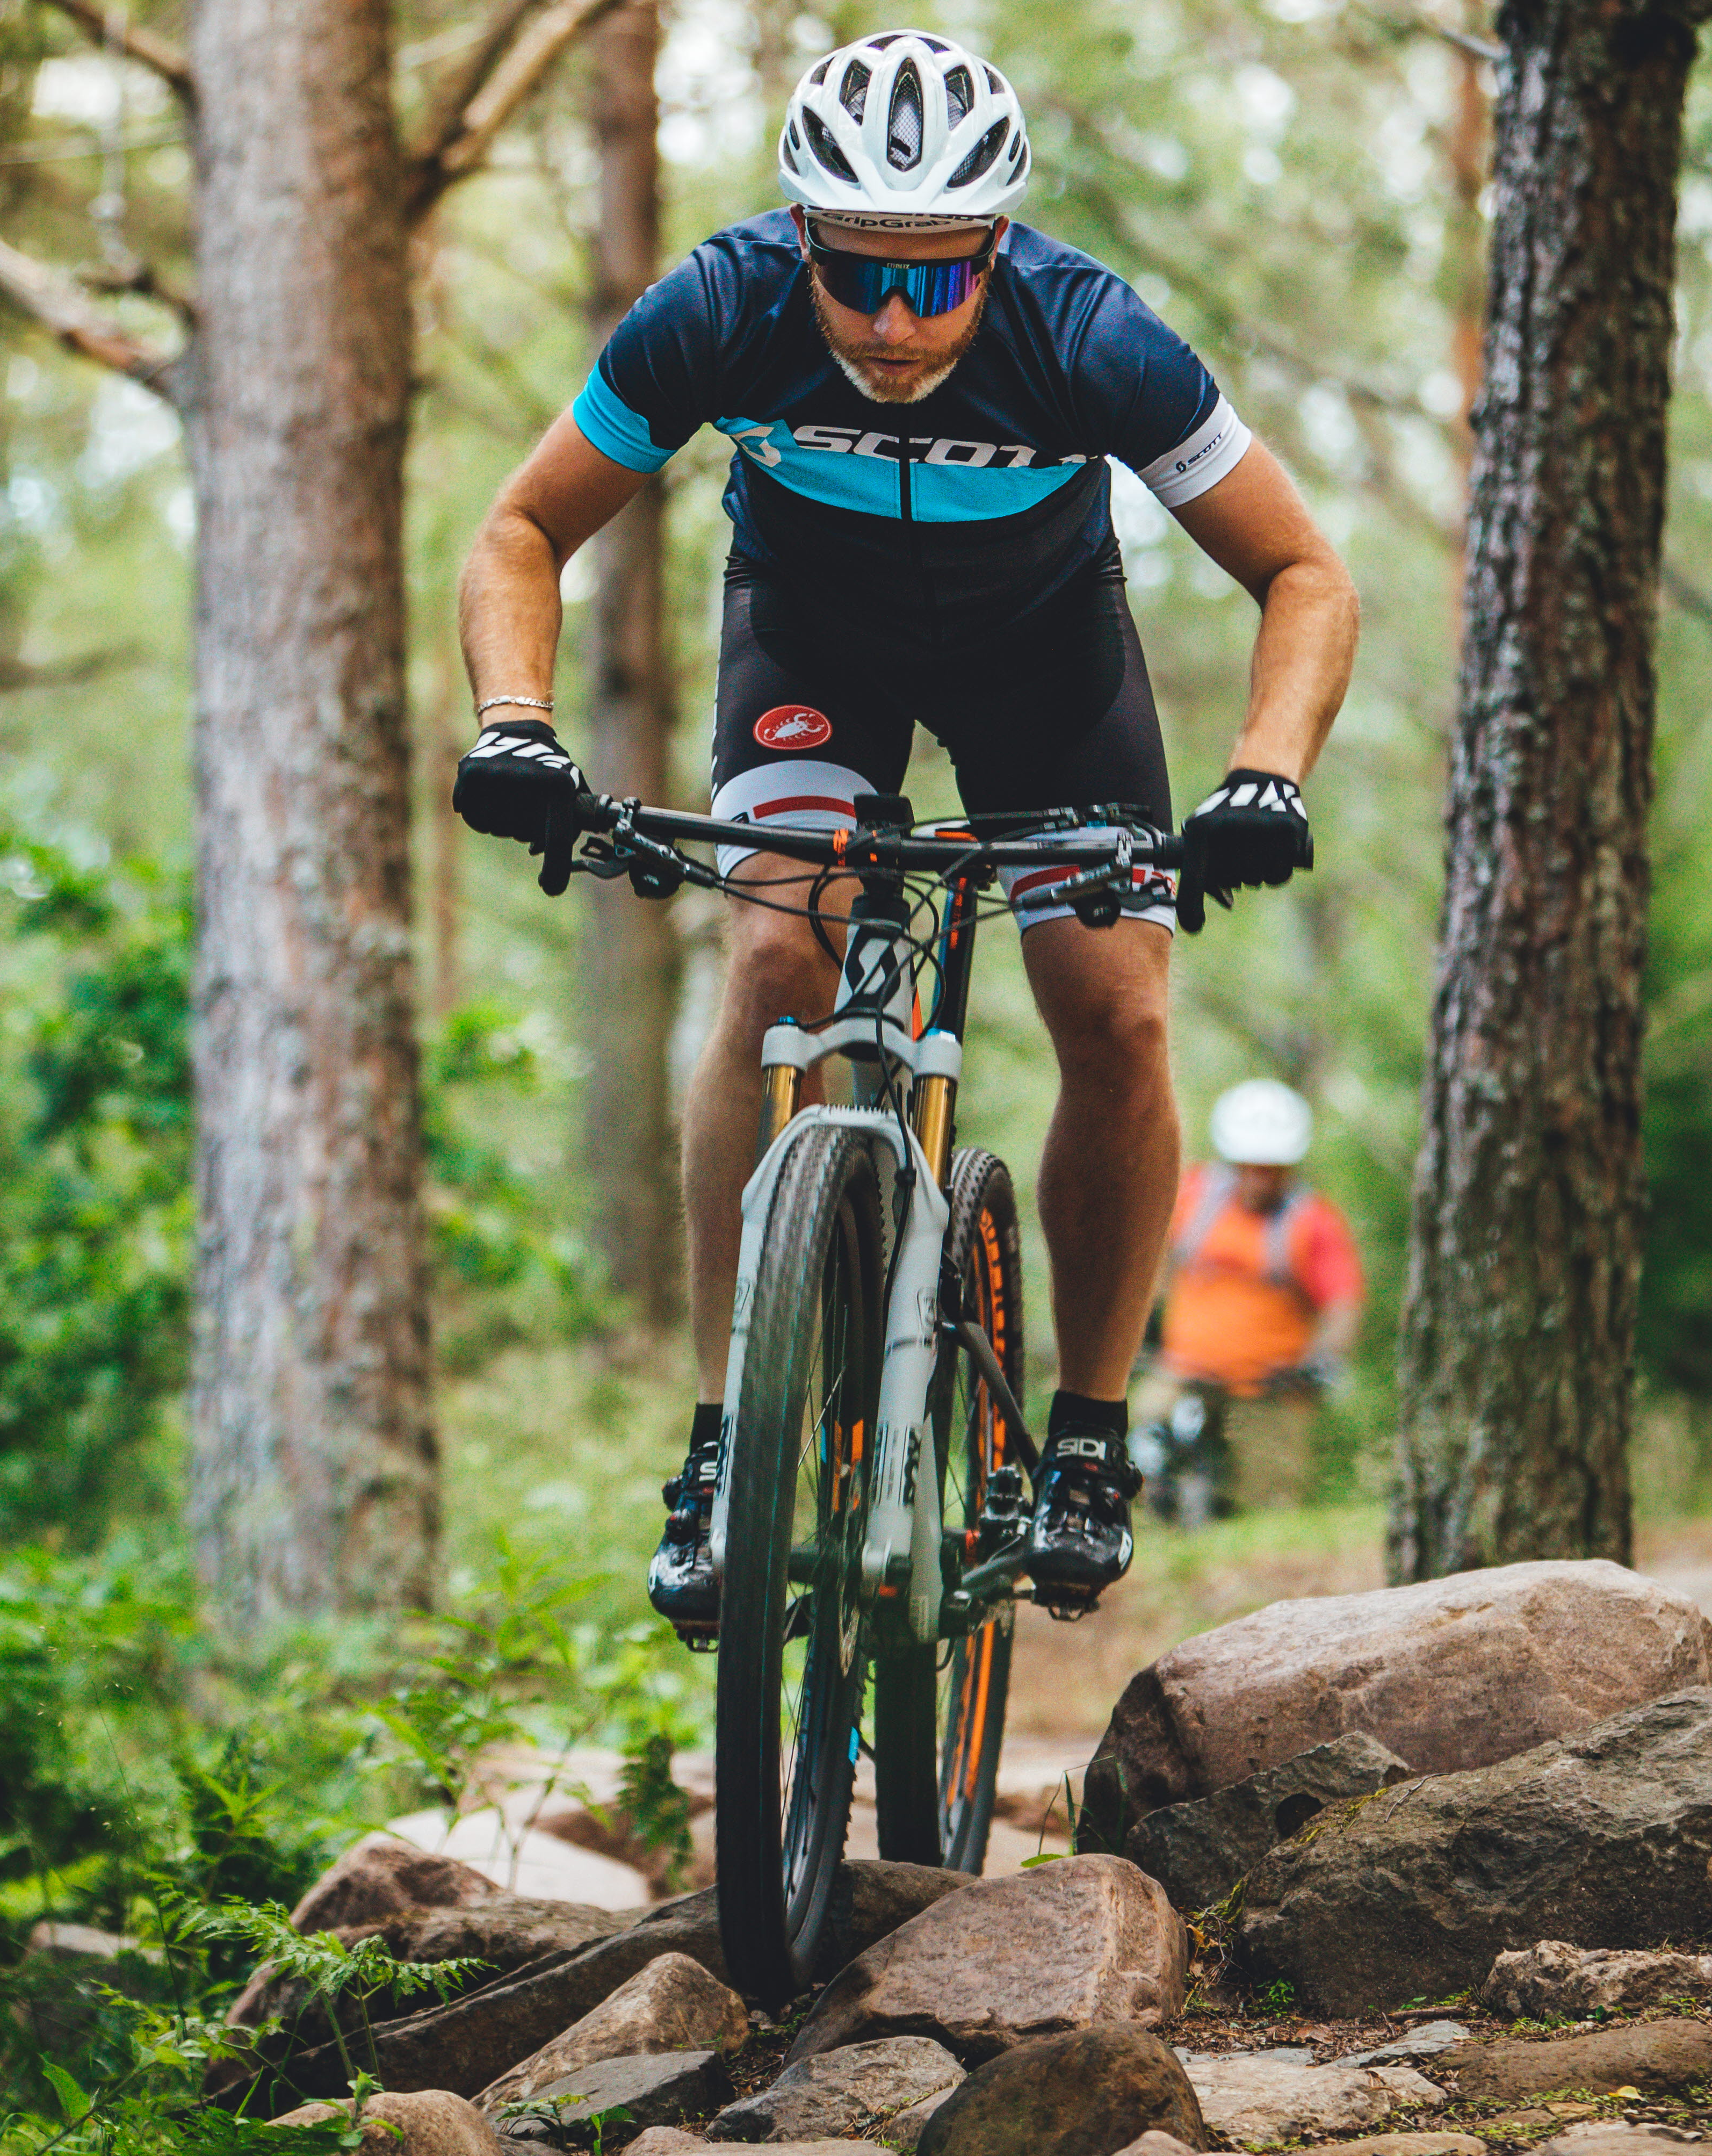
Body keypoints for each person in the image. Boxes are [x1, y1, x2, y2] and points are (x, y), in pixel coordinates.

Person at [450, 30, 1359, 1632]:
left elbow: (1306, 574)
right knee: (774, 959)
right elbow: (524, 527)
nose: (890, 321)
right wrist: (516, 722)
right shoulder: (720, 309)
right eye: (857, 275)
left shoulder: (1091, 338)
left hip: (1045, 672)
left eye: (935, 283)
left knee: (1118, 1006)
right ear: (801, 239)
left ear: (995, 250)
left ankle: (1085, 1438)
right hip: (815, 656)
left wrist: (1265, 771)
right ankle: (724, 1449)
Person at [1144, 1079, 1364, 1512]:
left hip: (1268, 1388)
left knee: (1273, 1497)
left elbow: (1342, 1304)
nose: (1259, 1177)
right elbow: (1150, 1260)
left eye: (1272, 1167)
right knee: (1134, 1448)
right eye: (1250, 1165)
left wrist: (1321, 1361)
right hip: (1183, 1373)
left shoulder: (1313, 1222)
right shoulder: (1192, 1197)